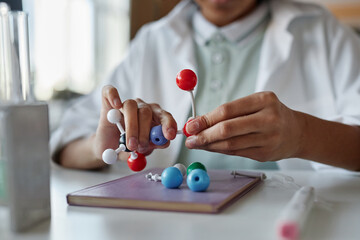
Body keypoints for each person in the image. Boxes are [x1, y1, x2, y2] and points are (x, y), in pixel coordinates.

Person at [50, 0, 360, 172]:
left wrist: (302, 135)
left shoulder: (323, 32)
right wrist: (99, 146)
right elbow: (64, 142)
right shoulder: (152, 40)